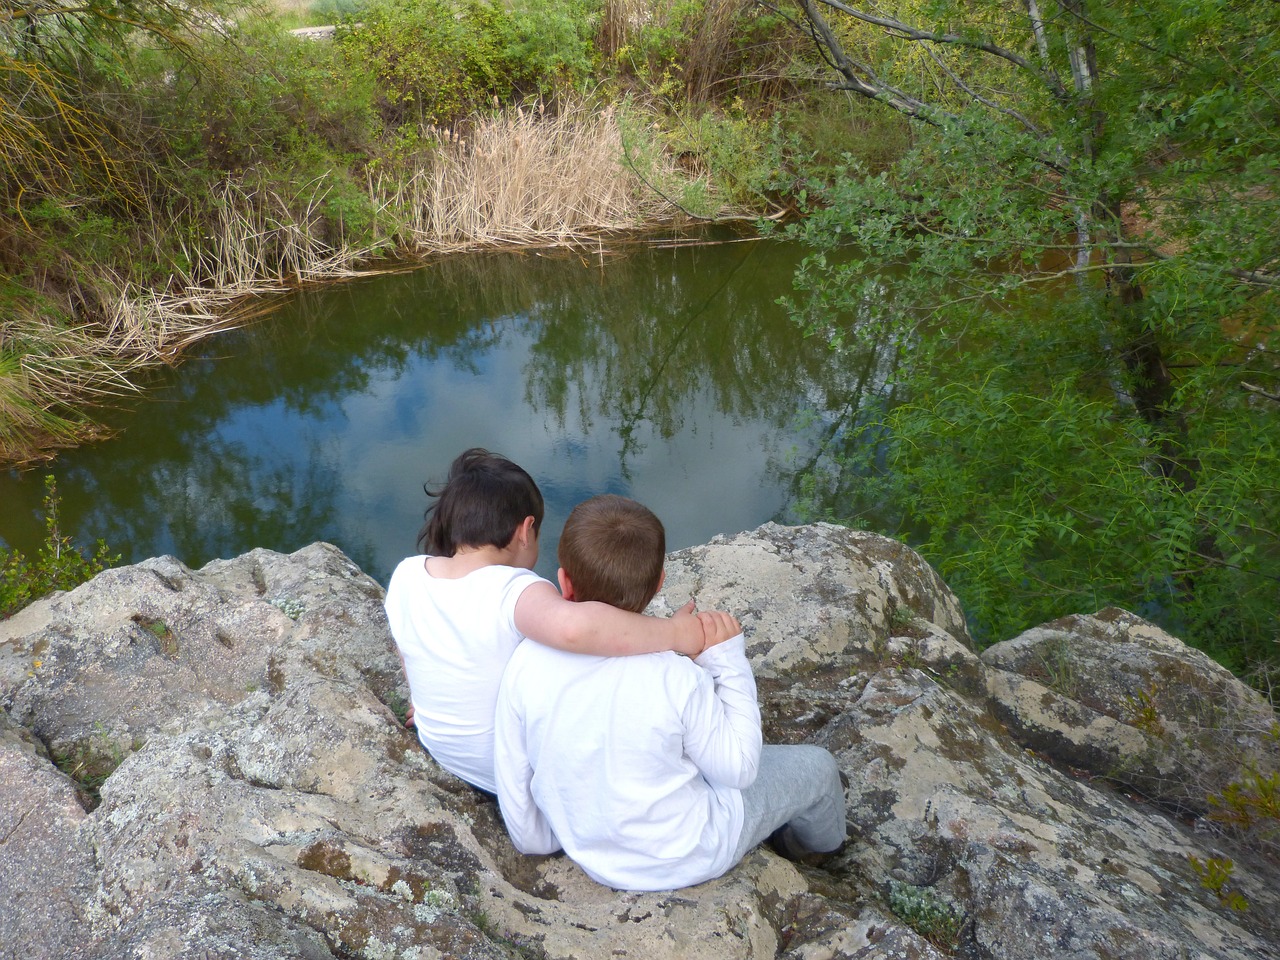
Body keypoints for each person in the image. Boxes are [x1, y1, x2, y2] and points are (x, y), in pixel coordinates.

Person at [494, 494, 847, 891]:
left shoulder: (524, 661)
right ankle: (818, 856)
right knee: (819, 768)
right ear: (660, 582)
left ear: (564, 582)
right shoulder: (675, 676)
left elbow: (515, 777)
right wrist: (728, 661)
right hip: (688, 853)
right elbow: (740, 768)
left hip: (589, 852)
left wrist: (545, 841)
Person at [383, 449, 713, 795]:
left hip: (442, 749)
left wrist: (426, 705)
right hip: (515, 776)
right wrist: (676, 633)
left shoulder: (407, 574)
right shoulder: (514, 590)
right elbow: (575, 629)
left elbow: (411, 655)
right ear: (525, 531)